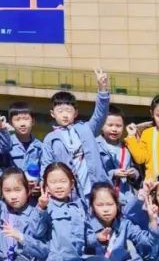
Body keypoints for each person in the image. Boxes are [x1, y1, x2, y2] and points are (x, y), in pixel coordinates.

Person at [85, 182, 157, 261]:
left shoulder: (124, 223)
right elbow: (81, 244)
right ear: (92, 207)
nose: (106, 209)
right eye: (100, 205)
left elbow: (146, 241)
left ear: (117, 205)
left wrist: (152, 221)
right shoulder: (87, 224)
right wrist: (97, 238)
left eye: (110, 204)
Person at [41, 70, 112, 200]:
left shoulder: (87, 129)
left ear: (76, 113)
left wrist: (102, 90)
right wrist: (44, 188)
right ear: (52, 114)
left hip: (94, 188)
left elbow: (100, 115)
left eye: (68, 110)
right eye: (60, 111)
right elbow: (46, 165)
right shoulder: (50, 139)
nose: (65, 115)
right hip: (69, 193)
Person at [97, 106, 141, 205]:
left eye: (118, 126)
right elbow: (93, 173)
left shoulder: (127, 146)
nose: (114, 129)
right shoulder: (94, 146)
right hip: (104, 200)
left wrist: (134, 173)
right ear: (101, 125)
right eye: (110, 125)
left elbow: (137, 171)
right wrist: (113, 174)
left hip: (126, 199)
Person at [1, 101, 45, 186]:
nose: (22, 124)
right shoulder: (6, 145)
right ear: (10, 123)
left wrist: (39, 182)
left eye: (26, 119)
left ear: (33, 121)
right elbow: (1, 168)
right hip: (13, 189)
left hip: (33, 191)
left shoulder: (39, 147)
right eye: (17, 119)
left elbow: (43, 168)